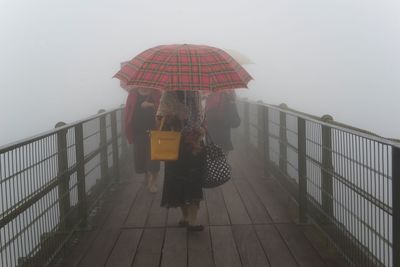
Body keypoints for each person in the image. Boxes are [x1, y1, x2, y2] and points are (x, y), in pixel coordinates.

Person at [157, 91, 206, 231]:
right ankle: (185, 216)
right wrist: (174, 117)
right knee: (177, 180)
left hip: (194, 144)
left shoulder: (195, 94)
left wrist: (200, 128)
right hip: (174, 145)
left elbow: (201, 118)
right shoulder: (167, 95)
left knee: (193, 180)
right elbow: (159, 119)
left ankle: (193, 220)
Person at [124, 88, 161, 192]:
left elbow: (162, 109)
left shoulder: (156, 93)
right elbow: (128, 111)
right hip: (138, 132)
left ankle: (153, 182)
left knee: (154, 157)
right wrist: (127, 127)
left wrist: (151, 105)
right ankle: (147, 175)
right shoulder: (133, 93)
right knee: (141, 157)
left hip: (153, 131)